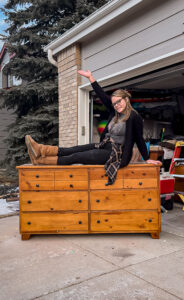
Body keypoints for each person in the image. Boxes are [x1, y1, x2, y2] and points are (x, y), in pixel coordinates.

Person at [25, 69, 161, 185]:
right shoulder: (115, 112)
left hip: (115, 153)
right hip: (105, 145)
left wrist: (146, 157)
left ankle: (41, 160)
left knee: (76, 156)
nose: (116, 105)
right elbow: (102, 96)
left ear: (126, 99)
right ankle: (41, 149)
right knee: (73, 149)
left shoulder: (134, 117)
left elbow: (138, 138)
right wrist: (91, 78)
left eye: (119, 101)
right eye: (114, 103)